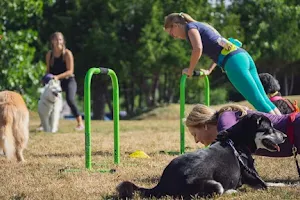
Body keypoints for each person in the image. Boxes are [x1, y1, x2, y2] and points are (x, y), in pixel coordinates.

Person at [164, 12, 282, 115]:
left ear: (175, 25)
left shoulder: (190, 27)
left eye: (172, 33)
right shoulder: (202, 25)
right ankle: (285, 124)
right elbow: (219, 46)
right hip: (242, 56)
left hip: (233, 62)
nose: (174, 37)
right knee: (263, 99)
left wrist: (190, 70)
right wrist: (209, 70)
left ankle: (282, 129)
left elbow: (198, 49)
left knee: (258, 101)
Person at [185, 104, 300, 157]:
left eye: (194, 134)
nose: (195, 141)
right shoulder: (227, 117)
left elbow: (226, 144)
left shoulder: (225, 117)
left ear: (204, 125)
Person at [45, 31, 84, 131]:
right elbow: (48, 71)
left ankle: (80, 123)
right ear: (52, 41)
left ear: (63, 41)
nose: (58, 41)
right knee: (47, 100)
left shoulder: (67, 53)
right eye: (56, 39)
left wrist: (57, 77)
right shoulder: (50, 54)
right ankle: (44, 124)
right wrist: (46, 79)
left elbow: (70, 71)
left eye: (60, 39)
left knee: (70, 99)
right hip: (55, 82)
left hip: (68, 80)